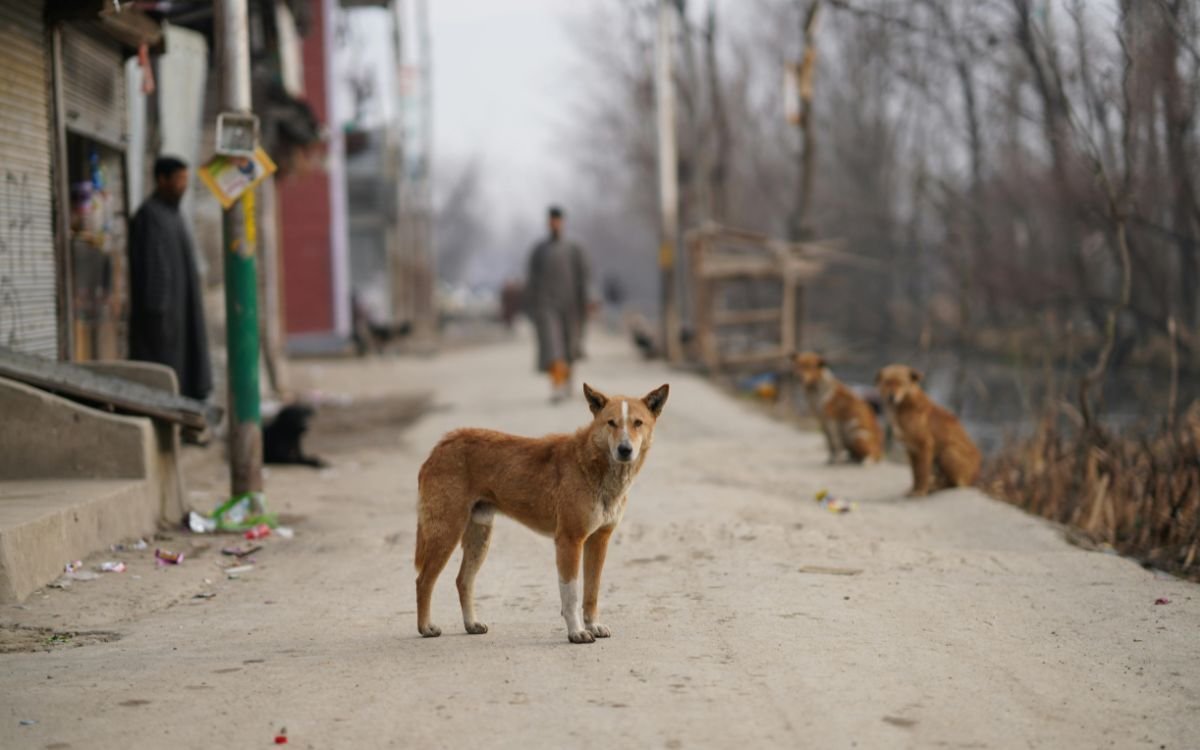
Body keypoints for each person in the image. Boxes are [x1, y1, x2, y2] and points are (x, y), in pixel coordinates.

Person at [128, 156, 212, 401]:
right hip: (163, 324)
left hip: (180, 316)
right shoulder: (149, 216)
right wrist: (159, 319)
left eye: (185, 180)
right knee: (165, 379)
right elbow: (153, 273)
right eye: (178, 179)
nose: (183, 186)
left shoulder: (173, 215)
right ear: (162, 180)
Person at [526, 206, 589, 402]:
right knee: (553, 348)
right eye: (551, 221)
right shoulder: (539, 250)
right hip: (546, 306)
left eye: (557, 220)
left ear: (562, 222)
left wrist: (585, 302)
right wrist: (531, 306)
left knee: (569, 347)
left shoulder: (574, 248)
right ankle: (557, 385)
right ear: (548, 223)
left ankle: (567, 380)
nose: (554, 224)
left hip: (571, 305)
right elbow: (531, 281)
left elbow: (584, 277)